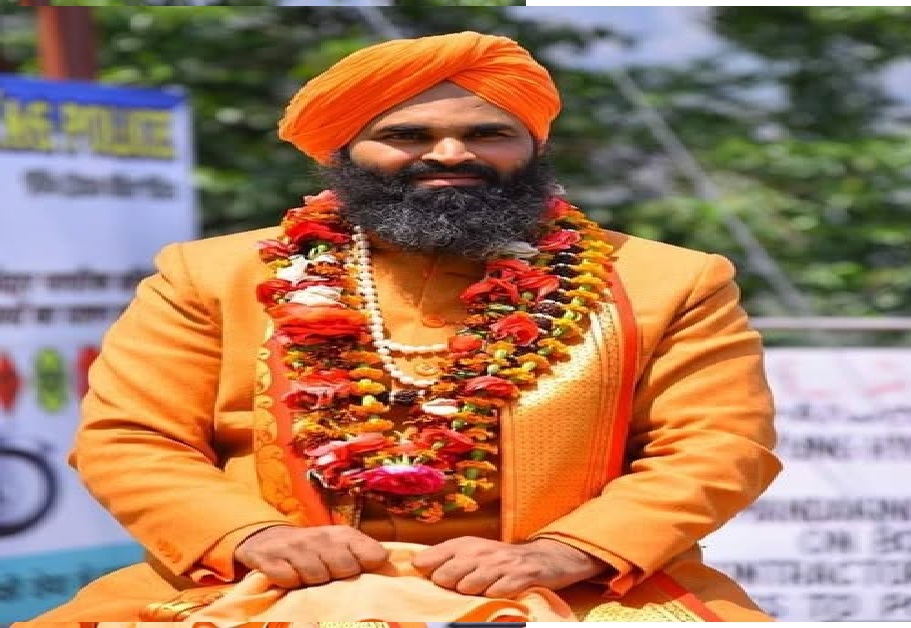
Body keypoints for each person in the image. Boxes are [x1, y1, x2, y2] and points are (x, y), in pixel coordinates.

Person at [26, 31, 782, 624]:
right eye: (408, 134)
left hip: (572, 587)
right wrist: (255, 537)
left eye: (489, 133)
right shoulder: (211, 274)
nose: (450, 153)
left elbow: (717, 447)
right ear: (345, 152)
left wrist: (570, 550)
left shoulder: (667, 280)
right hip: (260, 582)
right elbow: (133, 438)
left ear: (533, 148)